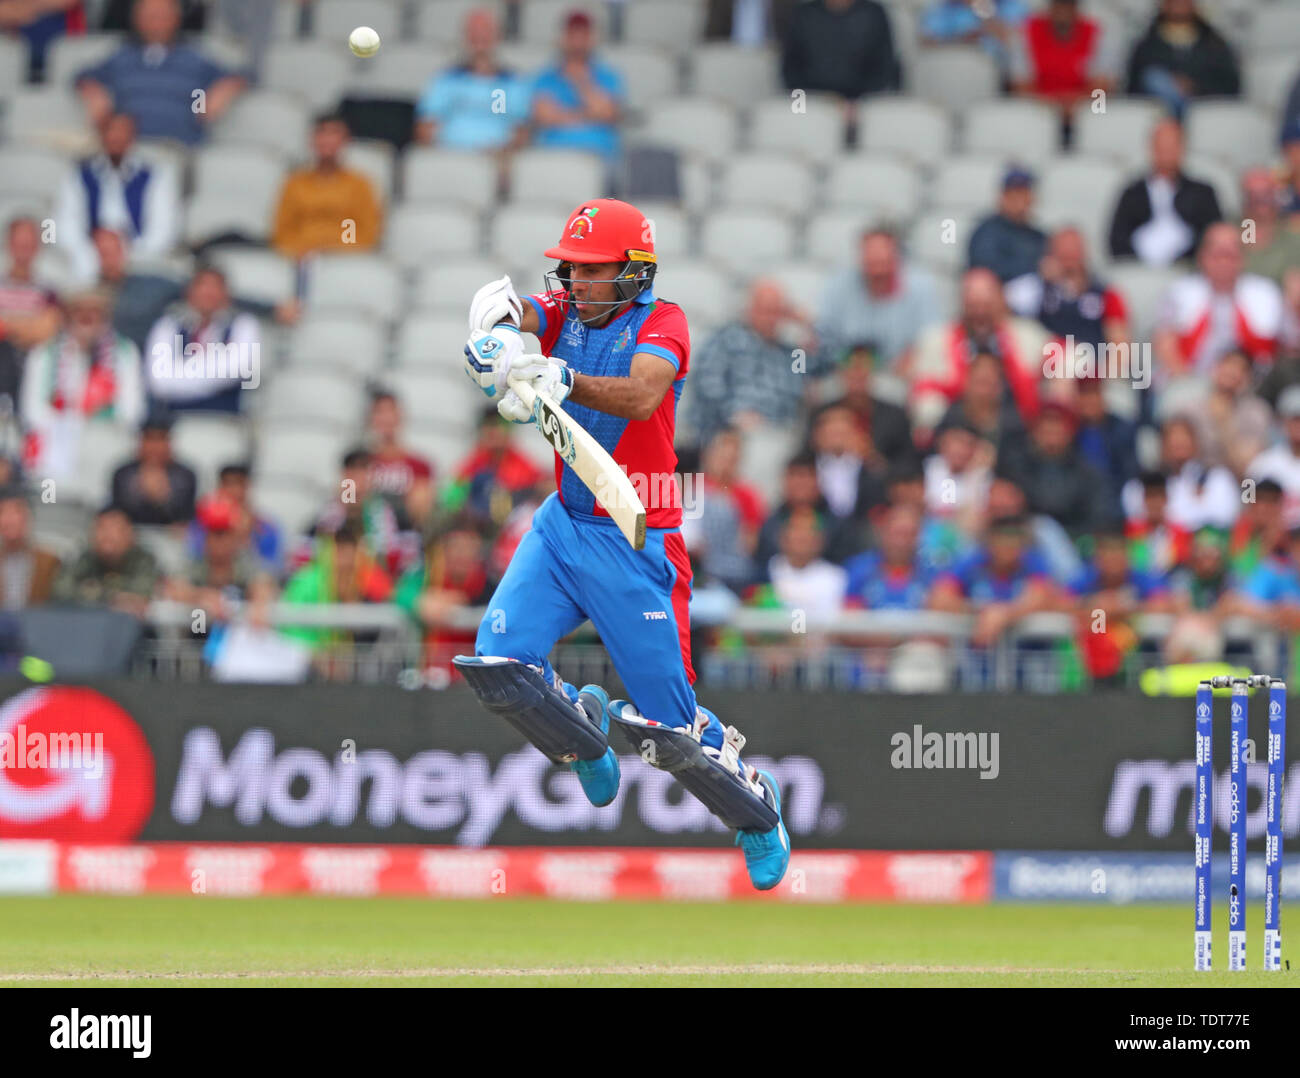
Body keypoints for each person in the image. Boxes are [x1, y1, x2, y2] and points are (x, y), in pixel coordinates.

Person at [459, 196, 790, 889]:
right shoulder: (565, 313)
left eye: (590, 271)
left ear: (634, 273)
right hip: (563, 523)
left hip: (638, 539)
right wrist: (492, 330)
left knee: (669, 731)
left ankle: (758, 812)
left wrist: (562, 378)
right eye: (569, 271)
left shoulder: (662, 321)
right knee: (498, 664)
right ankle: (584, 742)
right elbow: (522, 311)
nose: (575, 284)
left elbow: (643, 396)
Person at [75, 0, 246, 147]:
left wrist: (221, 91)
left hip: (181, 147)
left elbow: (241, 74)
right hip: (128, 148)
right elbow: (84, 74)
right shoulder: (121, 57)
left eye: (162, 15)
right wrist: (93, 92)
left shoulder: (195, 58)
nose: (156, 22)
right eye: (150, 15)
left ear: (176, 18)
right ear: (136, 19)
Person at [20, 287, 145, 480]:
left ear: (105, 317)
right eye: (80, 311)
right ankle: (49, 501)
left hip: (106, 440)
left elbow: (132, 411)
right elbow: (32, 410)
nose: (87, 317)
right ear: (69, 316)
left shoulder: (125, 352)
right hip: (55, 441)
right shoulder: (43, 354)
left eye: (94, 311)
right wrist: (68, 423)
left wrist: (94, 419)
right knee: (49, 497)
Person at [685, 278, 828, 446]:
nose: (771, 319)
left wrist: (808, 326)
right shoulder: (726, 340)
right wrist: (734, 414)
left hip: (779, 436)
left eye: (777, 312)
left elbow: (820, 366)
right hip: (728, 435)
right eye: (765, 311)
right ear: (749, 310)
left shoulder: (793, 352)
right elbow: (707, 383)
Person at [908, 267, 1049, 438]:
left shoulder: (1026, 334)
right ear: (962, 304)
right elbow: (923, 392)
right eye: (974, 306)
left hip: (1014, 429)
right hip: (955, 430)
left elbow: (1069, 355)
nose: (980, 313)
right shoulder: (935, 340)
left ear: (1000, 304)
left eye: (986, 306)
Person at [55, 112, 180, 286]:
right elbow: (66, 223)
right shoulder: (78, 175)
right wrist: (91, 253)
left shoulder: (155, 175)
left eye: (123, 131)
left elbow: (164, 229)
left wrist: (125, 256)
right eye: (111, 131)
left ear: (133, 136)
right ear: (101, 135)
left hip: (139, 257)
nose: (116, 137)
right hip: (88, 257)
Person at [1153, 222, 1282, 379]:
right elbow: (1165, 347)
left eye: (1230, 255)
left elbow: (1279, 350)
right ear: (1202, 257)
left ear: (1243, 258)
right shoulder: (1179, 293)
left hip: (1254, 384)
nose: (1223, 263)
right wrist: (1189, 385)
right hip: (1191, 380)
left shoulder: (1266, 293)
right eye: (1217, 255)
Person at [816, 228, 941, 373]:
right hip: (848, 373)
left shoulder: (921, 287)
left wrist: (911, 358)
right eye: (871, 265)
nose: (877, 273)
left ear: (896, 260)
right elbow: (824, 334)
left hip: (903, 375)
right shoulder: (839, 284)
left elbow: (932, 338)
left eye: (883, 264)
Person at [143, 264, 261, 412]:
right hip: (176, 419)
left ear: (226, 294)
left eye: (215, 287)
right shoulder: (168, 325)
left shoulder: (244, 325)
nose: (208, 293)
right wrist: (216, 364)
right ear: (189, 293)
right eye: (202, 286)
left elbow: (238, 368)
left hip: (226, 419)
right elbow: (159, 383)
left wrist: (178, 373)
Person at [1108, 117, 1222, 266]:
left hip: (1189, 271)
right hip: (1139, 272)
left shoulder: (1203, 193)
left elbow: (1213, 238)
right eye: (1161, 147)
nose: (1167, 153)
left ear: (1183, 149)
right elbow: (1117, 240)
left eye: (1172, 146)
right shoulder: (1132, 193)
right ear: (1151, 148)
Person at [416, 7, 531, 154]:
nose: (480, 35)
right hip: (451, 157)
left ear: (498, 36)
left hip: (497, 161)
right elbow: (424, 128)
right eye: (474, 30)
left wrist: (505, 154)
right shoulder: (444, 80)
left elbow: (522, 131)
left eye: (486, 30)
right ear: (465, 36)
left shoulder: (513, 82)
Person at [271, 112, 383, 262]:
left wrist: (338, 251)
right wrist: (302, 251)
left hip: (344, 262)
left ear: (345, 140)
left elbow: (366, 233)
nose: (327, 140)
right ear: (312, 140)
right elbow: (282, 232)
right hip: (299, 260)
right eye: (322, 133)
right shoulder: (295, 183)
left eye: (334, 133)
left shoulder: (359, 185)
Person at [781, 0, 899, 136]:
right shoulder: (803, 14)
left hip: (862, 107)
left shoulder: (875, 13)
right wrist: (806, 105)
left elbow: (885, 69)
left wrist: (858, 104)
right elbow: (790, 70)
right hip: (812, 104)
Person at [1005, 226, 1129, 354]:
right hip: (1049, 363)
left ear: (1084, 254)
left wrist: (1109, 372)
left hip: (1093, 366)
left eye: (1073, 254)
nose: (1069, 263)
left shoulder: (1105, 294)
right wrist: (1041, 279)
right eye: (1063, 255)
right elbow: (1000, 311)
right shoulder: (1037, 288)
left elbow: (1119, 345)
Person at [529, 10, 624, 164]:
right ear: (563, 39)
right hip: (553, 156)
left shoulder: (609, 76)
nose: (578, 43)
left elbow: (607, 113)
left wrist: (580, 81)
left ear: (592, 40)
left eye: (583, 36)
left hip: (599, 157)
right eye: (573, 36)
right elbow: (544, 117)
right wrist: (589, 115)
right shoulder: (544, 78)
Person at [1125, 0, 1239, 119]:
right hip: (1159, 119)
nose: (1179, 4)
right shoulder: (1146, 46)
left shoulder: (1215, 44)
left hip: (1204, 114)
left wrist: (1194, 87)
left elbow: (1230, 86)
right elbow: (1132, 90)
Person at [1009, 0, 1117, 124]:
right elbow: (1020, 87)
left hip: (1084, 115)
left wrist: (1073, 104)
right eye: (1059, 4)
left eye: (1068, 4)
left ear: (1077, 7)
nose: (1063, 11)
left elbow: (1102, 88)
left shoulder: (1097, 33)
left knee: (1100, 112)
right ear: (1050, 6)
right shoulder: (1025, 33)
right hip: (1038, 115)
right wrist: (1054, 106)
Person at [51, 502, 160, 617]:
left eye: (115, 529)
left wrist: (91, 590)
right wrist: (112, 597)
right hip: (89, 622)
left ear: (130, 534)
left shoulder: (144, 560)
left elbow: (142, 593)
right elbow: (61, 590)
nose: (107, 536)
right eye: (102, 528)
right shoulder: (85, 557)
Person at [109, 410, 197, 526]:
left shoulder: (185, 475)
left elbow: (186, 518)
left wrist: (162, 499)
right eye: (149, 439)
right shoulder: (123, 473)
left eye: (160, 439)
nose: (154, 447)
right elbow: (118, 514)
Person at [968, 166, 1047, 284]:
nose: (1018, 199)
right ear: (1002, 197)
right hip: (999, 293)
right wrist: (1034, 269)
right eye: (1013, 193)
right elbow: (986, 267)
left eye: (1023, 192)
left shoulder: (1038, 237)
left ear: (1031, 198)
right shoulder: (987, 232)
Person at [919, 0, 1029, 77]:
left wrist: (981, 9)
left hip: (1002, 79)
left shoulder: (1011, 5)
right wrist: (964, 42)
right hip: (949, 74)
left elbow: (1014, 44)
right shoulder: (945, 8)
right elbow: (927, 44)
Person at [0, 217, 61, 354]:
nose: (24, 250)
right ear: (9, 244)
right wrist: (30, 325)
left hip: (35, 366)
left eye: (28, 244)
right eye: (19, 244)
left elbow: (46, 331)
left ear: (37, 247)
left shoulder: (48, 290)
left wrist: (6, 325)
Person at [0, 485, 60, 609]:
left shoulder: (49, 561)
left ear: (29, 517)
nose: (10, 520)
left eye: (17, 511)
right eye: (3, 512)